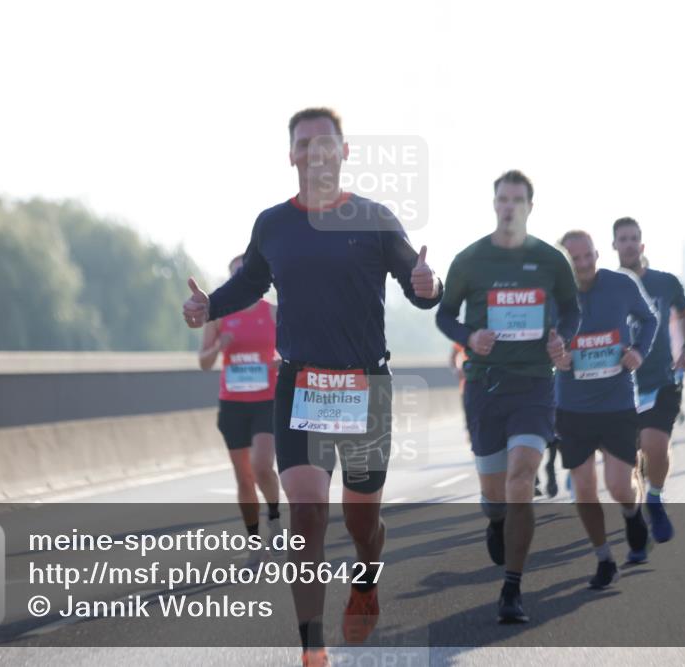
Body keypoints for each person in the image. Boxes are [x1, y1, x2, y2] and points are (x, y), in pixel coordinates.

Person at [183, 107, 442, 667]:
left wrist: (430, 284)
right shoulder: (273, 225)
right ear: (292, 155)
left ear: (344, 152)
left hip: (366, 387)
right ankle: (311, 648)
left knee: (361, 522)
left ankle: (366, 581)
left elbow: (416, 282)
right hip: (300, 386)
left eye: (327, 144)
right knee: (305, 515)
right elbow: (248, 282)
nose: (317, 153)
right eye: (306, 144)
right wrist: (208, 307)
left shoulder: (373, 218)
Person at [436, 170, 580, 623]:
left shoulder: (552, 260)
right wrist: (468, 337)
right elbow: (444, 315)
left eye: (518, 199)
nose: (510, 206)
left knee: (522, 480)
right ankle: (496, 520)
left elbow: (572, 310)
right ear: (494, 203)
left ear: (530, 207)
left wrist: (564, 340)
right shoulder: (470, 259)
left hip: (535, 384)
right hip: (485, 386)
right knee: (495, 494)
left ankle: (512, 589)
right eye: (503, 199)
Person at [554, 230, 658, 586]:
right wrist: (555, 355)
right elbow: (536, 337)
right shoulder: (552, 293)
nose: (584, 266)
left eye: (588, 257)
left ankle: (632, 514)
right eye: (575, 260)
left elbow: (650, 319)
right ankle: (603, 558)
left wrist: (638, 352)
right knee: (583, 488)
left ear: (598, 253)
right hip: (572, 405)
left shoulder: (621, 284)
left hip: (615, 400)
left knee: (617, 486)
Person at [612, 217, 685, 544]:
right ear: (614, 246)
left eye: (634, 238)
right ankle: (635, 517)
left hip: (660, 378)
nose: (629, 244)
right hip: (618, 386)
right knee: (629, 459)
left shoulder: (665, 283)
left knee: (655, 445)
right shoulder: (605, 285)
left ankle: (655, 498)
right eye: (623, 239)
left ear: (641, 245)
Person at [198, 254, 283, 569]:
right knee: (244, 479)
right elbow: (203, 363)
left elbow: (295, 351)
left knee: (262, 466)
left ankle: (274, 518)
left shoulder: (274, 313)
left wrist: (283, 362)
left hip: (267, 400)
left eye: (245, 274)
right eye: (235, 275)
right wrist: (219, 347)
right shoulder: (218, 317)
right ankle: (254, 545)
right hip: (233, 404)